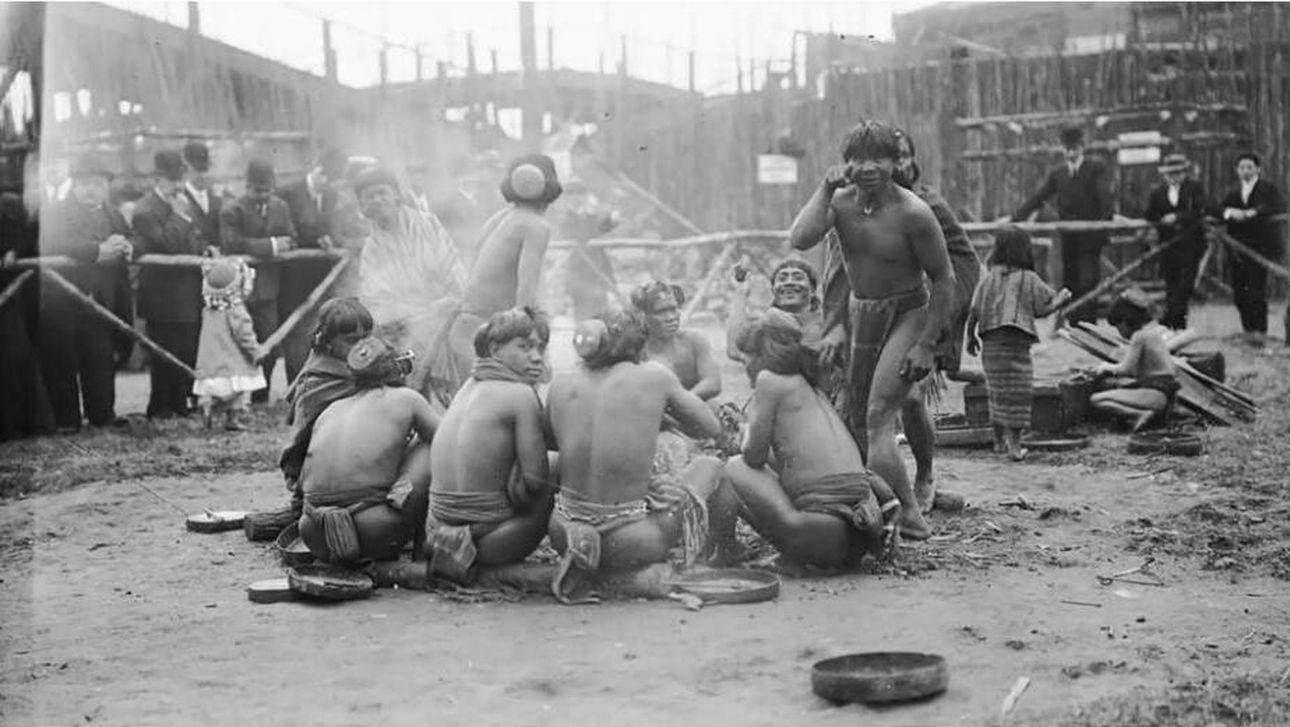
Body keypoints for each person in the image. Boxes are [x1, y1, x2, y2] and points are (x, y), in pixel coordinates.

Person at [789, 120, 955, 540]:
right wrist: (825, 189)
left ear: (895, 161)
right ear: (845, 164)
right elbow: (800, 238)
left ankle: (913, 516)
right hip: (862, 313)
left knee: (879, 415)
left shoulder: (914, 213)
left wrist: (926, 345)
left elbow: (944, 278)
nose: (868, 168)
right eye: (858, 159)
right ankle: (876, 501)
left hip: (907, 313)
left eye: (879, 158)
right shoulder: (841, 203)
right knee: (858, 416)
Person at [545, 310, 737, 603]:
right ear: (639, 344)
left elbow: (556, 441)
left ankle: (592, 568)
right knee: (712, 466)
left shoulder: (561, 382)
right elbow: (710, 427)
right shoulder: (654, 375)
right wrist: (663, 413)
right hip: (631, 541)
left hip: (564, 533)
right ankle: (712, 556)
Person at [722, 311, 899, 569]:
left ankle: (724, 549)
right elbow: (788, 464)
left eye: (745, 355)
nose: (743, 363)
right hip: (855, 541)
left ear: (763, 355)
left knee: (731, 468)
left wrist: (743, 432)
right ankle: (791, 555)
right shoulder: (810, 386)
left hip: (817, 537)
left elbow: (753, 457)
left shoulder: (769, 380)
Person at [425, 307, 554, 585]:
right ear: (495, 349)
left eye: (540, 349)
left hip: (435, 537)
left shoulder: (466, 388)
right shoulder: (520, 394)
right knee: (556, 464)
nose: (536, 357)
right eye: (524, 347)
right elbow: (535, 482)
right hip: (487, 545)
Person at [297, 336, 436, 564]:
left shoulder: (332, 409)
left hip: (314, 533)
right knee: (428, 448)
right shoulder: (407, 398)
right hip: (373, 530)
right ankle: (422, 558)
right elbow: (448, 442)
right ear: (398, 367)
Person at [354, 166, 468, 409]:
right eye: (369, 196)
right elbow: (375, 299)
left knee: (449, 399)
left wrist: (450, 301)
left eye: (382, 192)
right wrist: (410, 316)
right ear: (362, 207)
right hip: (402, 331)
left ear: (396, 195)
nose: (377, 200)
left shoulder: (428, 225)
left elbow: (453, 269)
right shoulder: (371, 249)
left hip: (445, 321)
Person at [35, 154, 133, 433]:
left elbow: (133, 237)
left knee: (100, 357)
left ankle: (102, 414)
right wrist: (96, 251)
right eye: (86, 184)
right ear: (75, 185)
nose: (92, 190)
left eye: (99, 184)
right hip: (63, 300)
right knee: (62, 360)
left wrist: (126, 245)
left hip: (100, 300)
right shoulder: (55, 211)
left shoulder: (113, 214)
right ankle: (67, 419)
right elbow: (52, 241)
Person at [964, 226, 1072, 461]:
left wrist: (970, 337)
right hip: (1017, 345)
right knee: (1019, 394)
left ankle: (998, 442)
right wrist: (1061, 300)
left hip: (991, 344)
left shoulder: (989, 278)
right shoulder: (1028, 279)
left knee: (997, 392)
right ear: (1025, 250)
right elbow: (1042, 309)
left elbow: (974, 310)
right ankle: (1015, 446)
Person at [447, 155, 562, 373]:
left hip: (466, 328)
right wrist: (532, 348)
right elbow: (525, 296)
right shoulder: (536, 226)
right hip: (491, 335)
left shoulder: (498, 219)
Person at [1011, 126, 1114, 325]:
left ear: (1082, 148)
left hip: (1091, 236)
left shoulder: (1095, 168)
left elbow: (1105, 197)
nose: (1070, 153)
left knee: (1089, 279)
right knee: (1071, 280)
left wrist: (1105, 223)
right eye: (1067, 149)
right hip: (1069, 237)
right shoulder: (1059, 173)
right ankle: (1074, 325)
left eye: (1074, 148)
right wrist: (1016, 217)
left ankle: (1088, 323)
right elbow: (1039, 197)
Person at [131, 150, 205, 420]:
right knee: (164, 353)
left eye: (179, 179)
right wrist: (180, 217)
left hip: (186, 292)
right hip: (162, 296)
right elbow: (169, 245)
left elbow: (196, 240)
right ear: (156, 179)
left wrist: (204, 250)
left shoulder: (184, 202)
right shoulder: (145, 211)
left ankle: (180, 403)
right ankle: (160, 407)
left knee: (186, 349)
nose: (177, 185)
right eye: (171, 180)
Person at [219, 159, 296, 404]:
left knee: (269, 343)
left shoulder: (281, 207)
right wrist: (273, 245)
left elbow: (292, 238)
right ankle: (236, 399)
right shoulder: (232, 209)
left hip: (270, 290)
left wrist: (279, 244)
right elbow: (232, 242)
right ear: (247, 186)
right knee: (237, 343)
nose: (262, 196)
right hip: (238, 290)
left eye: (267, 190)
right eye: (256, 191)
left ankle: (262, 394)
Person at [276, 146, 348, 384]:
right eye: (323, 175)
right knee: (295, 331)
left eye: (331, 179)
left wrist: (331, 239)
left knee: (319, 329)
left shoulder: (332, 196)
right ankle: (295, 385)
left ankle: (316, 381)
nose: (325, 182)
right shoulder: (287, 192)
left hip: (322, 276)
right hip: (293, 276)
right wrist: (313, 238)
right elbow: (285, 230)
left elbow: (333, 227)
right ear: (315, 167)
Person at [1219, 152, 1286, 343]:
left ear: (1258, 169)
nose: (1246, 171)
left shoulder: (1267, 189)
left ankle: (1260, 332)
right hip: (1237, 250)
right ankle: (1248, 331)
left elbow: (1276, 206)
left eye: (1249, 167)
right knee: (1240, 292)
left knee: (1256, 290)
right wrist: (1230, 212)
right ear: (1237, 171)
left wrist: (1252, 213)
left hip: (1260, 248)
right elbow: (1218, 209)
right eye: (1242, 167)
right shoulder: (1233, 193)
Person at [1089, 290, 1178, 431]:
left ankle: (1140, 414)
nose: (1119, 332)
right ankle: (1148, 414)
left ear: (1125, 321)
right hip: (1163, 395)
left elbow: (1126, 369)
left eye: (1118, 327)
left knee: (1096, 399)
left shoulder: (1139, 336)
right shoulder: (1153, 333)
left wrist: (1105, 367)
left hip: (1155, 394)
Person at [192, 258, 264, 432]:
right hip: (232, 363)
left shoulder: (208, 310)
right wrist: (256, 351)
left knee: (212, 391)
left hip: (210, 363)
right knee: (237, 392)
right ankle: (233, 418)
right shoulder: (236, 311)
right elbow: (244, 336)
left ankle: (207, 411)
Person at [1143, 153, 1212, 331]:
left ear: (1184, 173)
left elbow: (1200, 209)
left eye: (1178, 173)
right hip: (1169, 246)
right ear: (1164, 174)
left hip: (1191, 244)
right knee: (1171, 285)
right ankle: (1177, 328)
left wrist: (1178, 216)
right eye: (1170, 173)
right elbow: (1149, 213)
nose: (1174, 177)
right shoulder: (1158, 192)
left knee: (1185, 287)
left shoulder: (1194, 188)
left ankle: (1170, 319)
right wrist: (1162, 219)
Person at [631, 280, 721, 401]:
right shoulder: (636, 352)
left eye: (673, 309)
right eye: (661, 312)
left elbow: (713, 383)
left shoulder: (694, 340)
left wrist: (683, 404)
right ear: (643, 316)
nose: (671, 317)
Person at [726, 257, 824, 365]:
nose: (789, 282)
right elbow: (736, 351)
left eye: (798, 277)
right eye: (782, 279)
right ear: (773, 290)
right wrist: (740, 290)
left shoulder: (828, 324)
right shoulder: (768, 325)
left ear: (813, 290)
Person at [181, 141, 223, 252]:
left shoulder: (217, 200)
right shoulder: (179, 199)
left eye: (205, 170)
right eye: (197, 170)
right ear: (186, 169)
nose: (202, 175)